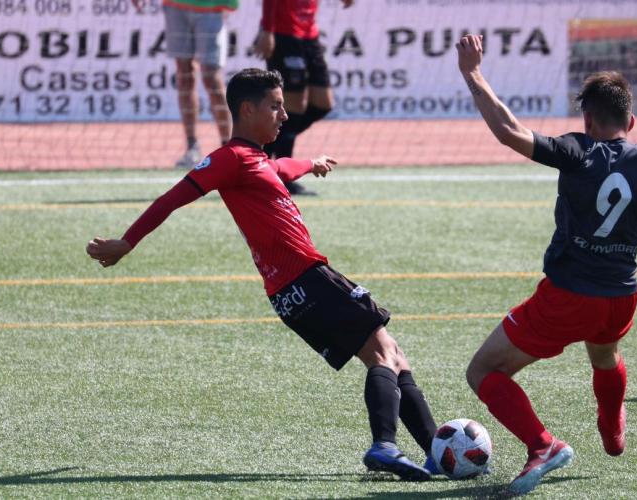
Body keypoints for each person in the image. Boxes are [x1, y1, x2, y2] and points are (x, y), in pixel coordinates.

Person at [86, 68, 438, 481]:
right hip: (307, 277)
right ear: (247, 109)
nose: (284, 116)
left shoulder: (255, 161)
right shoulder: (229, 158)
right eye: (275, 106)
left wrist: (311, 163)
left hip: (291, 290)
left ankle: (438, 452)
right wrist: (127, 242)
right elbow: (171, 198)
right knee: (382, 353)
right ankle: (385, 446)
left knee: (392, 354)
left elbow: (280, 168)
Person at [456, 34, 637, 495]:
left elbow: (509, 131)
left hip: (569, 296)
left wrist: (473, 73)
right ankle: (612, 428)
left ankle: (543, 445)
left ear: (587, 120)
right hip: (622, 297)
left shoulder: (578, 150)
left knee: (483, 371)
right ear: (632, 121)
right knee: (605, 354)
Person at [252, 0, 353, 195]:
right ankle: (283, 177)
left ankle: (263, 154)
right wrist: (267, 30)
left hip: (309, 35)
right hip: (284, 34)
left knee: (323, 104)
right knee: (293, 107)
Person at [132, 0, 237, 168]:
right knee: (184, 76)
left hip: (211, 7)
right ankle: (192, 147)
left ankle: (230, 147)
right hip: (176, 6)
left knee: (212, 78)